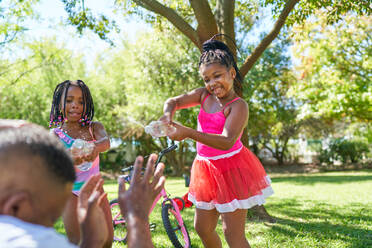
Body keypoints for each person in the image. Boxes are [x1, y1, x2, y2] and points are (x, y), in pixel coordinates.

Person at [160, 36, 274, 248]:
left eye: (217, 76)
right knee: (202, 228)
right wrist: (167, 115)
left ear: (232, 73)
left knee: (232, 234)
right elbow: (173, 101)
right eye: (206, 79)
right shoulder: (204, 96)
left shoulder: (238, 106)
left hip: (232, 169)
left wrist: (187, 132)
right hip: (205, 169)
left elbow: (226, 141)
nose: (212, 83)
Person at [0, 120, 165, 248]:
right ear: (15, 206)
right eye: (50, 218)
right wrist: (138, 219)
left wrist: (90, 241)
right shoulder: (35, 242)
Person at [49, 80, 113, 247]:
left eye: (81, 101)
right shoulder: (55, 134)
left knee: (107, 239)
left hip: (96, 190)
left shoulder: (94, 127)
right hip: (70, 191)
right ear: (59, 104)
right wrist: (70, 159)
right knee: (78, 241)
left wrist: (94, 147)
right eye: (69, 100)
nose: (75, 105)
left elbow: (106, 142)